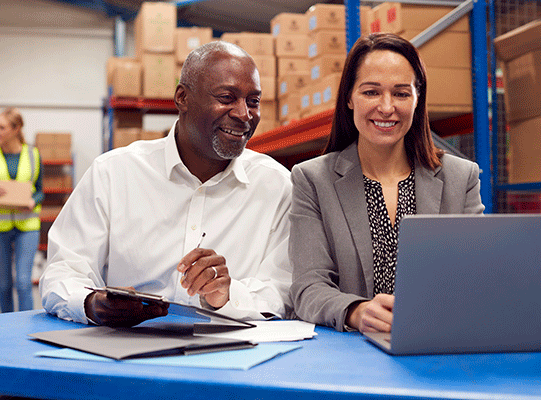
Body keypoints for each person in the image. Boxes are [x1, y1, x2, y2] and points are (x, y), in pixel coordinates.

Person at [39, 41, 292, 327]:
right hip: (125, 352)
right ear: (182, 98)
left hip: (230, 358)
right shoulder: (113, 174)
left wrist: (227, 295)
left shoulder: (277, 186)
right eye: (226, 97)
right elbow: (63, 271)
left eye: (253, 101)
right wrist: (91, 303)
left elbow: (284, 290)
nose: (243, 114)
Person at [289, 33, 485, 333]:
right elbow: (308, 288)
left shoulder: (461, 177)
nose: (386, 107)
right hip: (353, 354)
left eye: (401, 93)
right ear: (349, 98)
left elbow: (476, 277)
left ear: (417, 100)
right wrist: (356, 311)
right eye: (371, 92)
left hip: (436, 345)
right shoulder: (313, 180)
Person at [0, 108, 44, 313]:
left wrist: (33, 201)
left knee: (24, 282)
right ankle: (7, 330)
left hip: (27, 225)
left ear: (16, 129)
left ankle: (25, 330)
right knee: (5, 285)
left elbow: (40, 191)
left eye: (2, 127)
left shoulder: (33, 154)